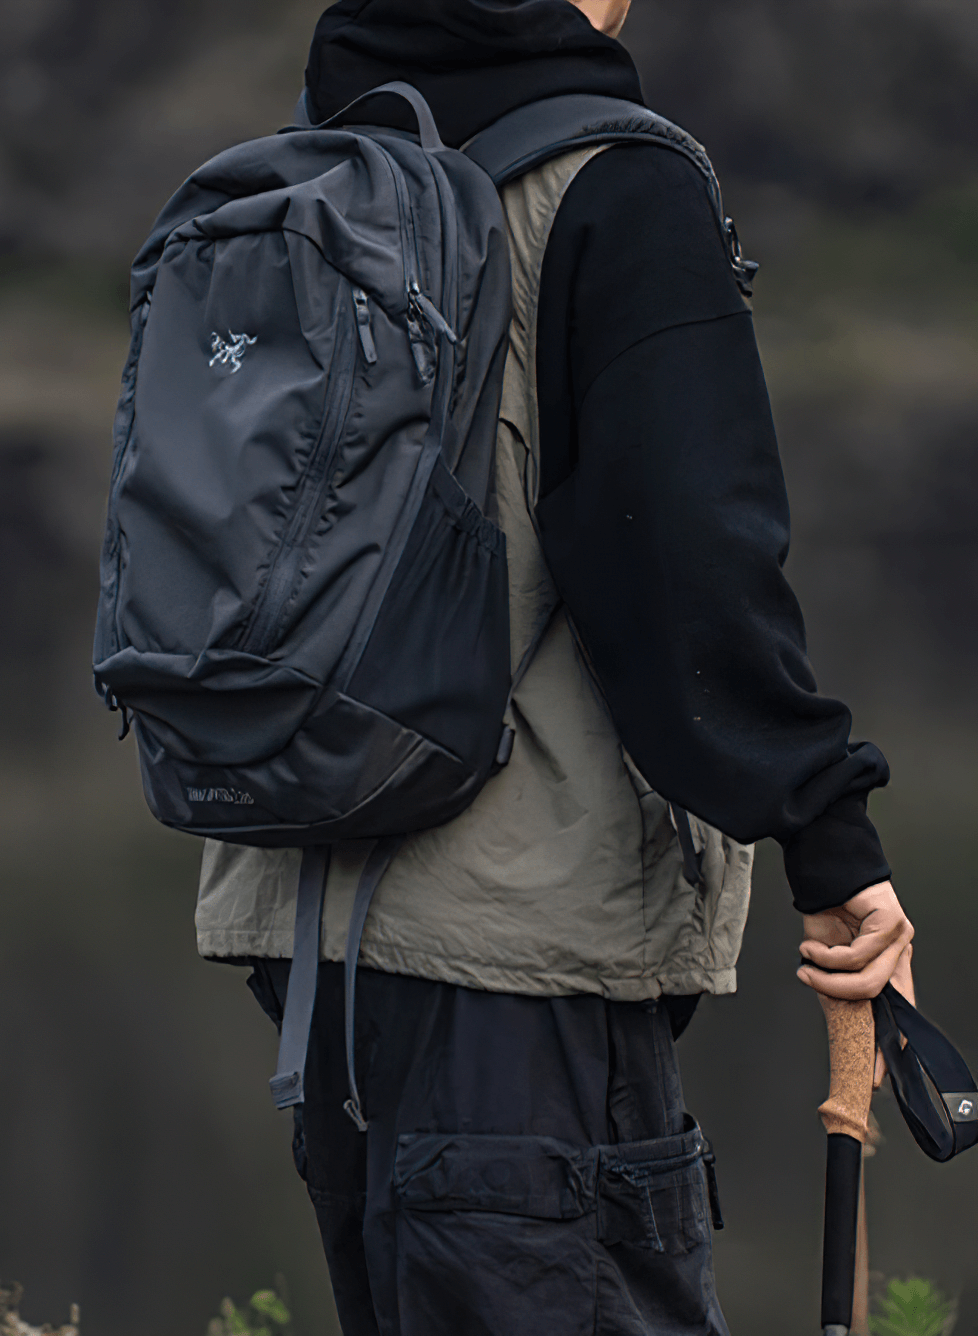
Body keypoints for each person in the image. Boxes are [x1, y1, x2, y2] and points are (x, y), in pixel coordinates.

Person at [195, 1, 915, 1331]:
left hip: (311, 939)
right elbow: (686, 558)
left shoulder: (317, 165)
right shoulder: (617, 187)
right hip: (517, 956)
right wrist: (831, 838)